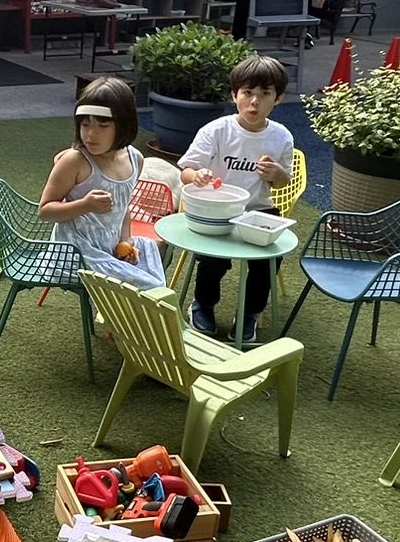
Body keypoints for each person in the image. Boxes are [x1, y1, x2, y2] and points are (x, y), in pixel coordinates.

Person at [180, 55, 295, 342]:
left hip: (259, 209)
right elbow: (186, 171)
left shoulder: (281, 137)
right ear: (234, 95)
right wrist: (198, 176)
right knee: (213, 260)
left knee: (268, 259)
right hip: (217, 211)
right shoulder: (216, 130)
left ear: (278, 99)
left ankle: (249, 312)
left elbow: (283, 183)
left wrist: (277, 172)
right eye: (247, 93)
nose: (254, 102)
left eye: (264, 94)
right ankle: (203, 305)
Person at [37, 76, 166, 290]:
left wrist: (126, 239)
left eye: (102, 125)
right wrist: (84, 205)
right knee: (147, 285)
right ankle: (125, 322)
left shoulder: (135, 159)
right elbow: (45, 211)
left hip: (109, 247)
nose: (90, 134)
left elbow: (123, 208)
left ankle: (124, 319)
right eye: (85, 124)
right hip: (75, 252)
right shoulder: (75, 161)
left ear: (124, 124)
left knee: (152, 256)